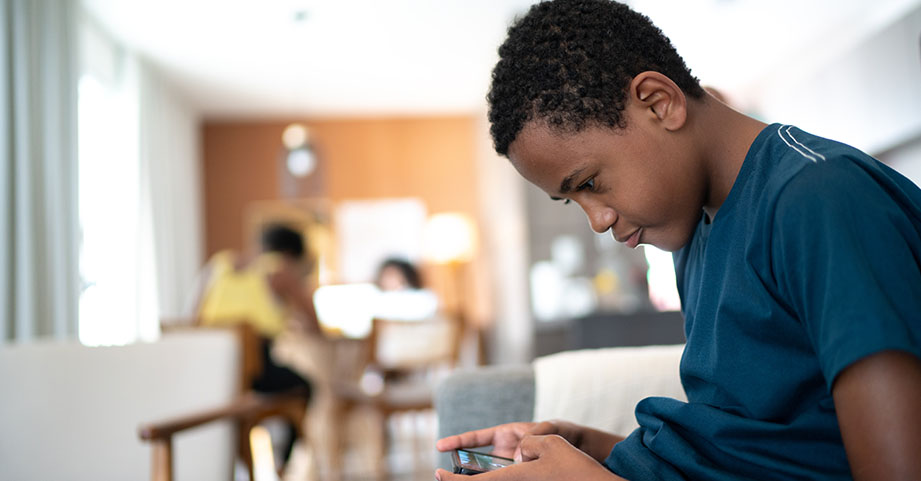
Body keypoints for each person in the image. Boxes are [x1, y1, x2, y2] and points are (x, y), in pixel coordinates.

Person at [435, 1, 921, 480]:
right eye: (572, 201)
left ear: (657, 102)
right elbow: (758, 445)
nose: (597, 221)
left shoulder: (821, 199)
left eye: (587, 183)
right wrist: (595, 452)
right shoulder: (696, 231)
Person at [193, 223, 319, 460]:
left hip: (206, 374)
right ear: (291, 254)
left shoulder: (216, 265)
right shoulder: (280, 270)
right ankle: (283, 462)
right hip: (254, 373)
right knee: (305, 387)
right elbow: (315, 324)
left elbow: (192, 319)